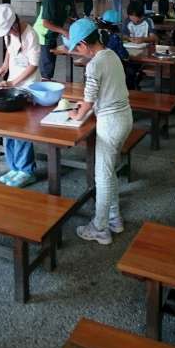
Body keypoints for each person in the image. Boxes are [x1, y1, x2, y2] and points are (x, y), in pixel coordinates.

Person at [65, 18, 132, 245]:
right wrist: (86, 106)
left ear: (84, 43)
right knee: (109, 171)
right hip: (125, 117)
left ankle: (100, 228)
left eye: (77, 48)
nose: (77, 53)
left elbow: (90, 97)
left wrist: (77, 114)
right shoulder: (111, 54)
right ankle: (114, 218)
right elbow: (106, 91)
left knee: (101, 177)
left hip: (110, 123)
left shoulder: (94, 65)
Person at [0, 4, 40, 187]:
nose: (8, 33)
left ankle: (27, 170)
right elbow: (10, 51)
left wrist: (12, 83)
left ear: (14, 23)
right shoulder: (9, 34)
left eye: (9, 29)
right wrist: (5, 66)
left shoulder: (31, 35)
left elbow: (33, 65)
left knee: (22, 129)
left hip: (28, 86)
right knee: (8, 128)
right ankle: (14, 167)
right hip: (13, 83)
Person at [34, 0, 80, 80]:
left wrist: (73, 21)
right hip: (43, 35)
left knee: (51, 62)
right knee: (47, 66)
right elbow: (46, 23)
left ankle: (48, 80)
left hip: (53, 34)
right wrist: (64, 31)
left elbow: (63, 14)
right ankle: (46, 83)